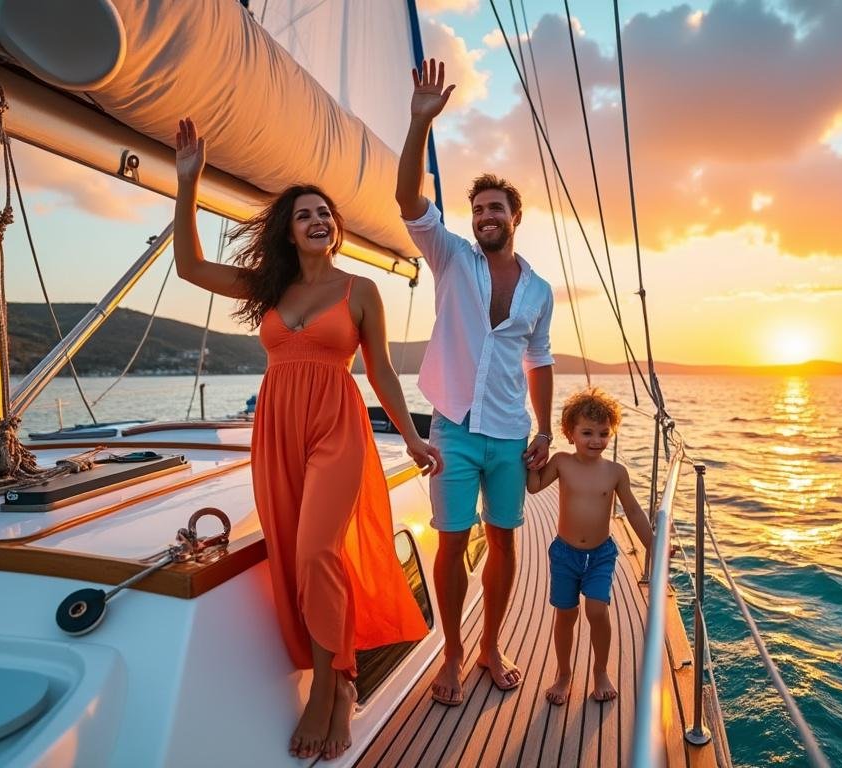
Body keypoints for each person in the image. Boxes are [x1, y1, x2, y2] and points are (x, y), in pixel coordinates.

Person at [173, 118, 441, 760]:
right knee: (294, 555)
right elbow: (188, 267)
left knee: (320, 549)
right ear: (288, 231)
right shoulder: (269, 288)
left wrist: (413, 436)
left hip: (335, 426)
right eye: (305, 215)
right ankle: (333, 672)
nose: (318, 220)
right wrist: (189, 184)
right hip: (275, 431)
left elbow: (381, 374)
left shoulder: (361, 291)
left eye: (325, 213)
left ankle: (332, 686)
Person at [396, 59, 555, 705]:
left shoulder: (540, 289)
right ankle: (454, 655)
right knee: (453, 543)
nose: (485, 216)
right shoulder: (450, 257)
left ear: (515, 216)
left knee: (505, 542)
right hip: (455, 431)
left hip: (511, 436)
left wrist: (546, 428)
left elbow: (539, 359)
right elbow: (408, 200)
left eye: (496, 208)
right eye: (478, 209)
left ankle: (491, 646)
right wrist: (419, 122)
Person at [526, 387, 653, 704]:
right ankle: (564, 674)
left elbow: (634, 511)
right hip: (565, 554)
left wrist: (654, 545)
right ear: (569, 433)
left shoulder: (615, 472)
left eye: (603, 433)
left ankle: (600, 671)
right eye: (587, 433)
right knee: (566, 615)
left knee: (597, 610)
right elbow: (535, 487)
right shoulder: (561, 463)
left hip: (600, 554)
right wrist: (529, 465)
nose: (596, 441)